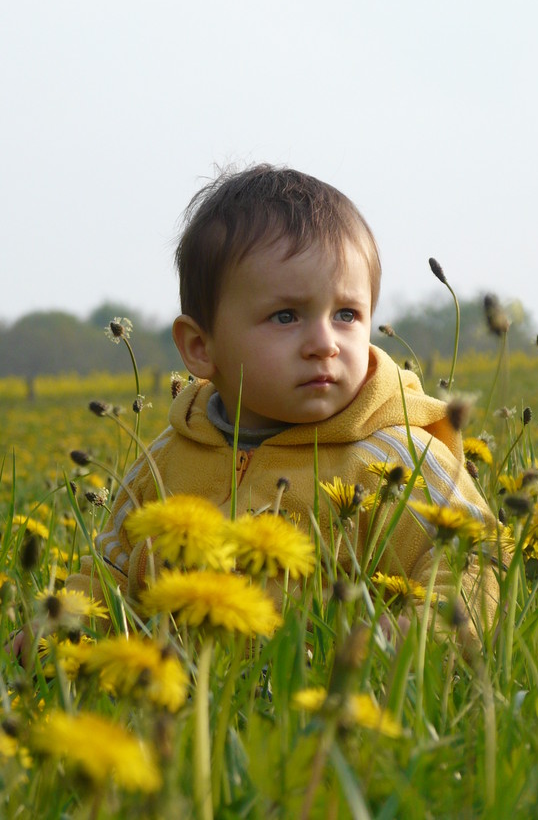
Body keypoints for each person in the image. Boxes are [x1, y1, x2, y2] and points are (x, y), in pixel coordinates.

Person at [66, 164, 499, 636]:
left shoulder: (396, 461)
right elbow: (111, 574)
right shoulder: (163, 465)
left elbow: (476, 558)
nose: (324, 343)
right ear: (200, 347)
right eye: (286, 316)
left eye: (347, 314)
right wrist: (66, 625)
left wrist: (402, 645)